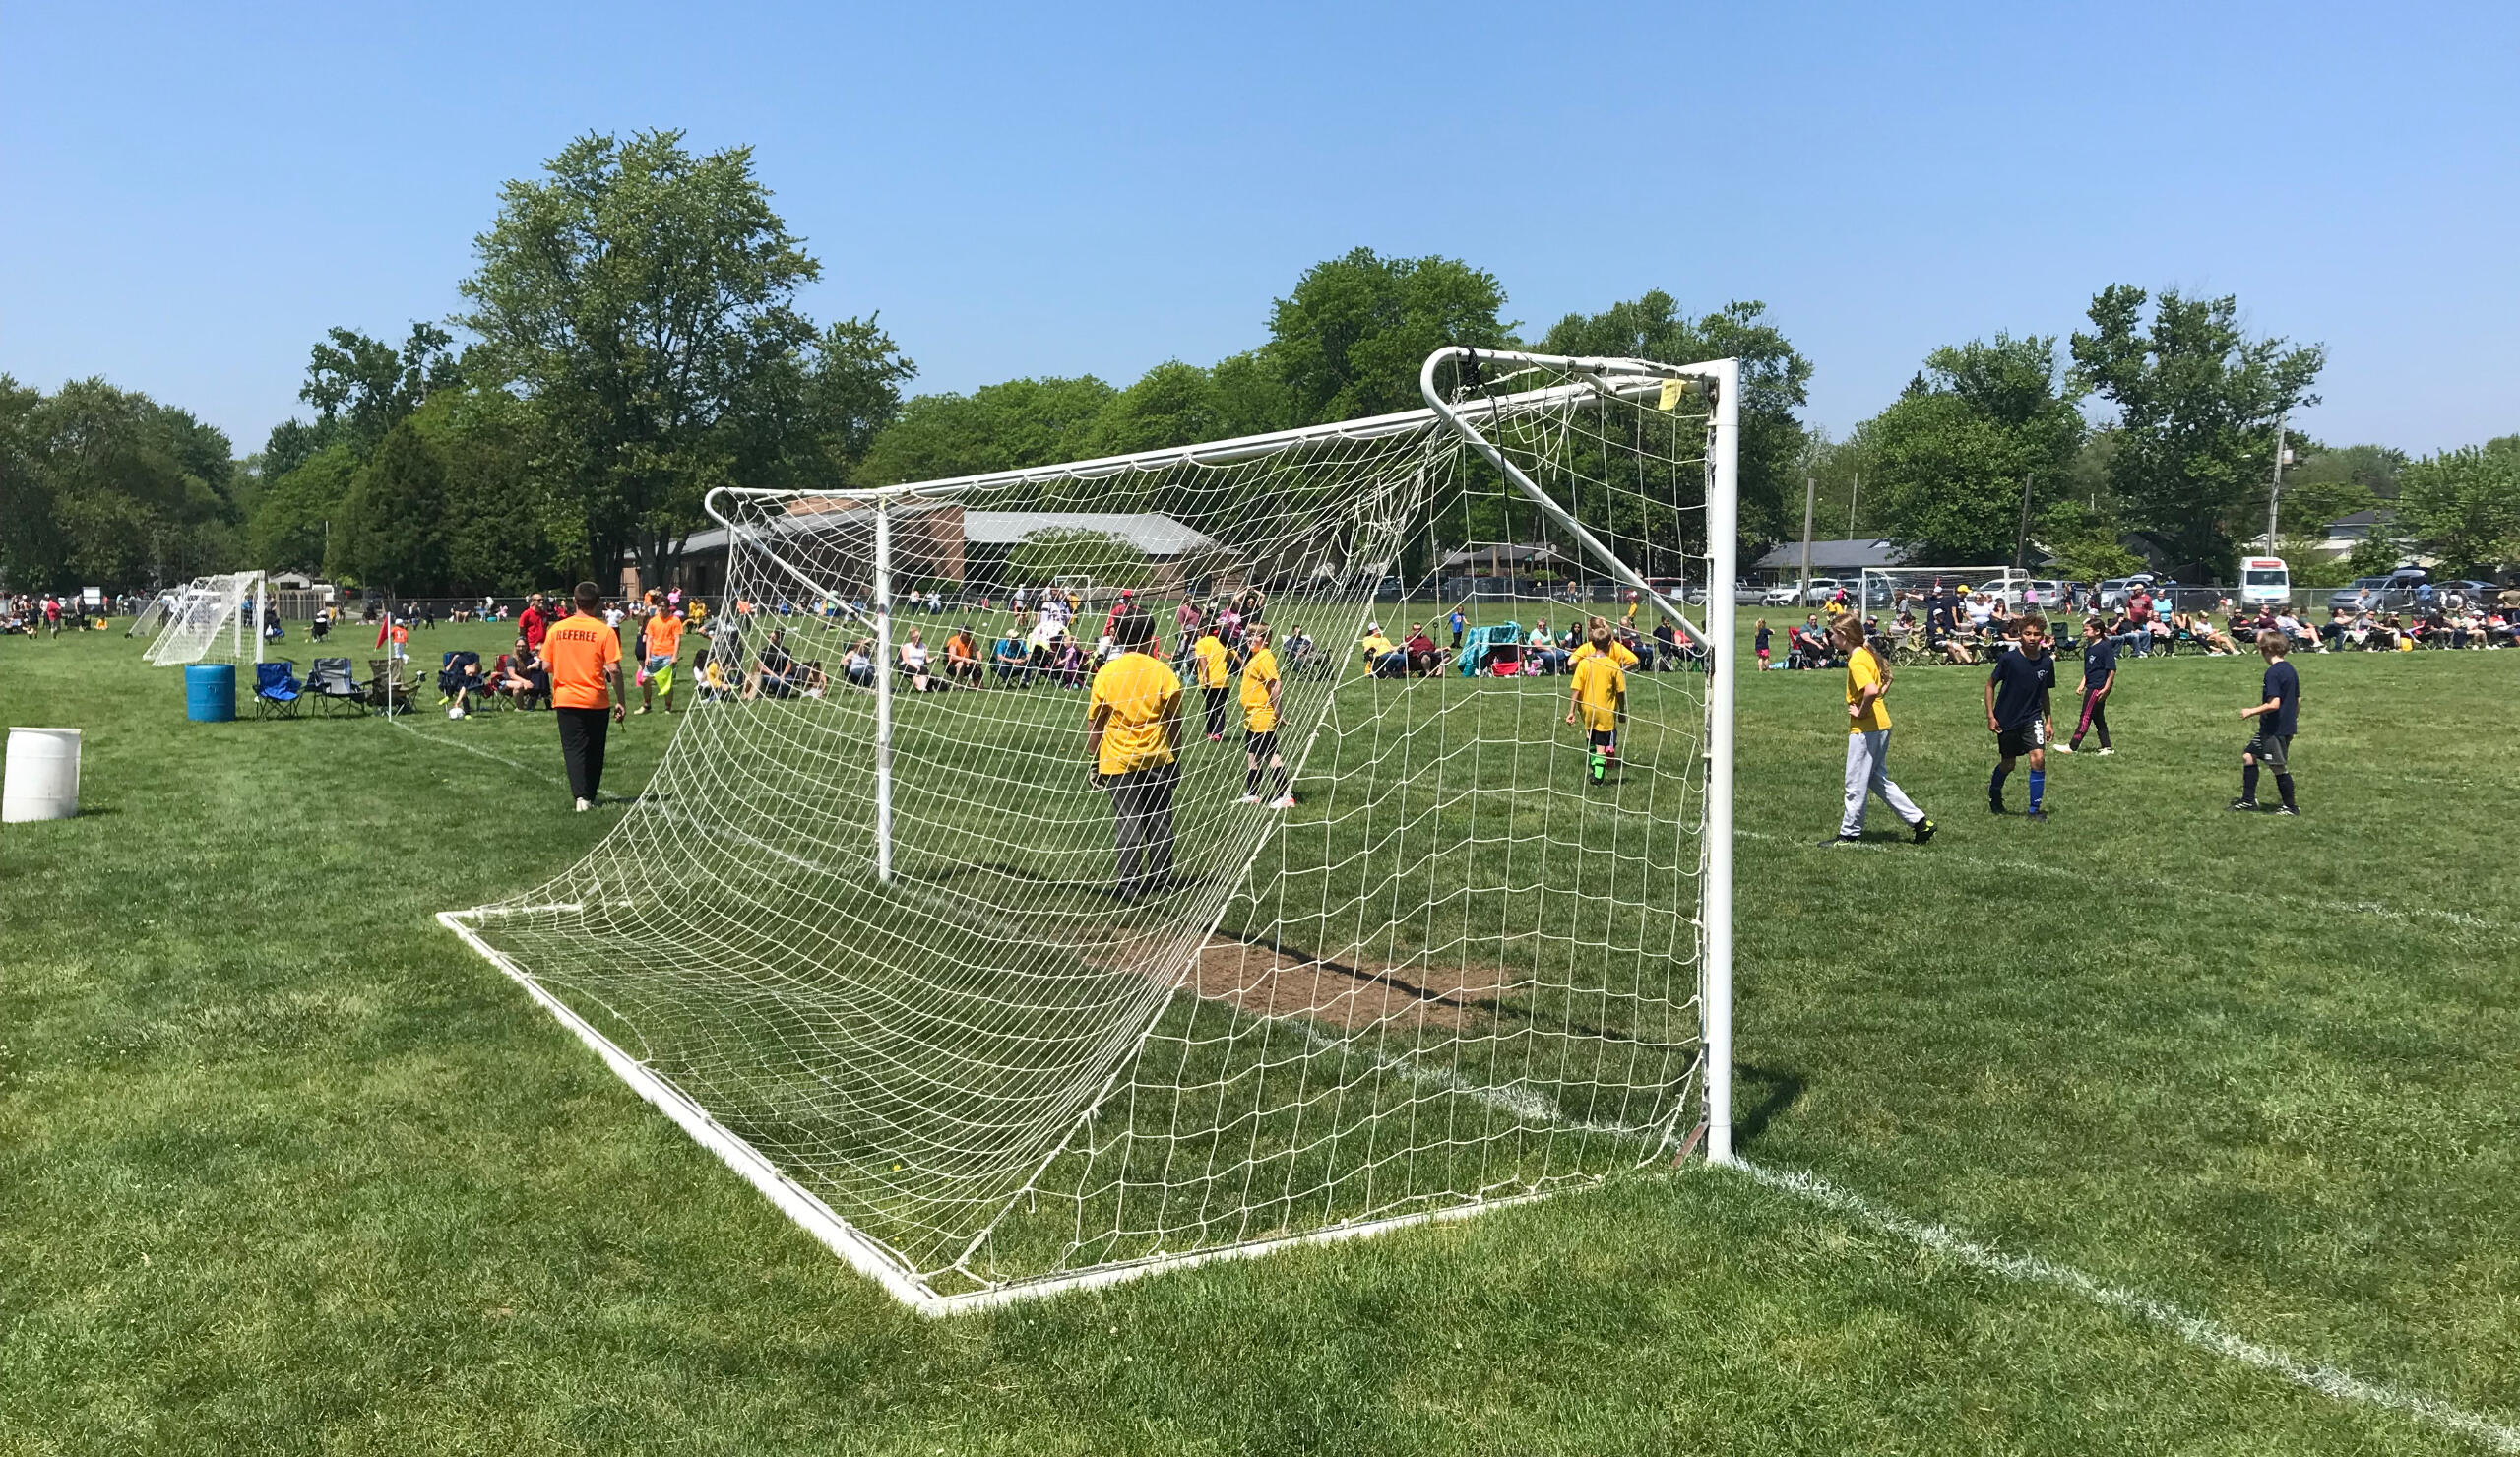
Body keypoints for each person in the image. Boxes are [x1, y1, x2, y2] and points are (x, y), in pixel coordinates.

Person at [1088, 610, 1184, 903]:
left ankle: (1128, 883)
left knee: (1128, 821)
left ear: (1118, 636)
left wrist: (1094, 757)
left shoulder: (1107, 673)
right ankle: (1161, 880)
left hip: (1118, 759)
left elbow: (1096, 723)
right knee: (1160, 820)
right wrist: (1176, 754)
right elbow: (1174, 721)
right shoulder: (1163, 672)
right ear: (1151, 637)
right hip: (1157, 757)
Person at [1828, 613, 1934, 846]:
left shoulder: (1856, 660)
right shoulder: (1865, 654)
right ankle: (1920, 822)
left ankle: (1849, 834)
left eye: (1833, 634)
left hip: (1867, 728)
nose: (1831, 638)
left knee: (1855, 783)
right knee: (1876, 780)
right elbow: (1885, 682)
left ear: (1844, 635)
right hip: (1881, 724)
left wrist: (1861, 712)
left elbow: (1871, 690)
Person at [542, 582, 627, 812]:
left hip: (566, 697)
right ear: (597, 603)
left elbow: (546, 665)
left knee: (573, 748)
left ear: (574, 601)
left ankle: (581, 796)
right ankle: (590, 793)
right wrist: (621, 700)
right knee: (595, 748)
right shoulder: (604, 631)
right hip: (596, 698)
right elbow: (614, 669)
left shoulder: (557, 629)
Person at [1984, 613, 2057, 820]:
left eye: (2036, 634)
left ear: (2042, 636)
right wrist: (1991, 716)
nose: (2032, 638)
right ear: (2020, 634)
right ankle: (1994, 792)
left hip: (2032, 717)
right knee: (2009, 764)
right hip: (2007, 718)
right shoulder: (2009, 659)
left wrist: (2048, 720)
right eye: (2027, 633)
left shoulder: (2046, 663)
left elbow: (2044, 692)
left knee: (2038, 758)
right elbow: (1990, 685)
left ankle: (2034, 810)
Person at [2233, 629, 2302, 815]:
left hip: (2275, 729)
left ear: (2267, 650)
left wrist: (2251, 711)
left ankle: (2290, 807)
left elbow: (2274, 704)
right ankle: (2248, 800)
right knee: (2249, 755)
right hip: (2276, 727)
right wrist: (2292, 719)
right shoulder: (2289, 669)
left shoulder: (2273, 673)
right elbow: (2298, 699)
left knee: (2277, 766)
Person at [1236, 624, 1295, 808]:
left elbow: (1276, 684)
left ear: (1267, 639)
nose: (1250, 639)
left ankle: (1285, 796)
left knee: (1271, 754)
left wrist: (1277, 711)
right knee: (1252, 754)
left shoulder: (1265, 657)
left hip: (1262, 714)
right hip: (1252, 716)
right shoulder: (1255, 656)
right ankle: (1253, 793)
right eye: (1249, 635)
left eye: (1255, 635)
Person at [1566, 621, 1626, 785]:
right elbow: (1620, 692)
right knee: (1601, 745)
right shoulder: (1613, 665)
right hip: (1605, 711)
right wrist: (1622, 710)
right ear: (1609, 645)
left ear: (1592, 644)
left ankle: (1594, 769)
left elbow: (1576, 689)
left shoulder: (1584, 663)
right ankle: (1598, 777)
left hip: (1587, 710)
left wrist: (1571, 711)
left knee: (1591, 738)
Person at [2058, 616, 2116, 756]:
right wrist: (2082, 683)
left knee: (2086, 716)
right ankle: (2107, 747)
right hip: (2090, 685)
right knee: (2098, 717)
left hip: (2098, 687)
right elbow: (2089, 670)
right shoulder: (2089, 648)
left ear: (2097, 631)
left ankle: (2072, 746)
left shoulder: (2105, 647)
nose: (2084, 632)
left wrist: (2106, 688)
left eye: (2087, 630)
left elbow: (2111, 669)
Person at [638, 602, 684, 714]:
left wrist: (675, 656)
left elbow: (677, 639)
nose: (661, 608)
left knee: (667, 683)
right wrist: (647, 656)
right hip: (654, 655)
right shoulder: (653, 621)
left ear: (668, 607)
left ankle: (668, 707)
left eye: (663, 606)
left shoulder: (675, 620)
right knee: (644, 680)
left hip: (668, 656)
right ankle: (647, 705)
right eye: (659, 606)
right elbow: (649, 639)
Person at [1191, 620, 1232, 740]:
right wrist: (1245, 666)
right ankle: (1217, 733)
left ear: (1202, 630)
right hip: (1222, 681)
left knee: (1210, 706)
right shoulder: (1221, 642)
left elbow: (1202, 658)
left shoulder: (1200, 643)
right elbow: (1234, 654)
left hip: (1208, 682)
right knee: (1220, 707)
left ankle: (1210, 732)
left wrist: (1205, 675)